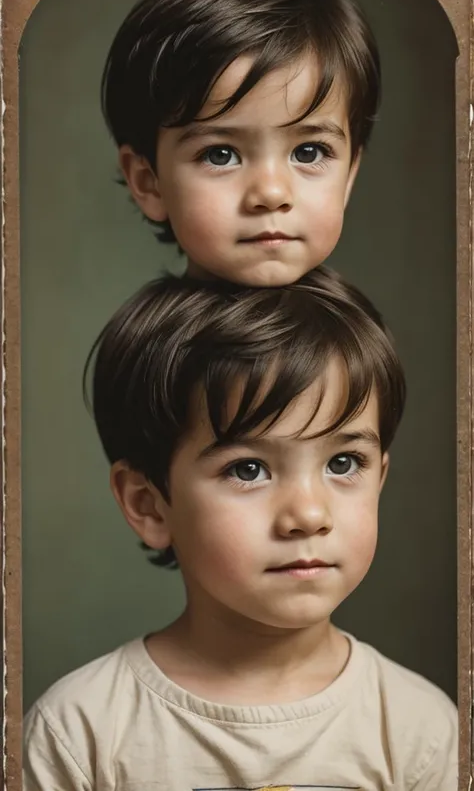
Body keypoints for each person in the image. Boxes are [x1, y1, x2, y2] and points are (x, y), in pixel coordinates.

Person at [23, 267, 458, 790]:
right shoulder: (79, 733)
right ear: (150, 505)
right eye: (248, 469)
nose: (309, 515)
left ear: (380, 476)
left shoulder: (421, 731)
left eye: (343, 463)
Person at [102, 0, 380, 285]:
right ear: (149, 182)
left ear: (348, 176)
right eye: (220, 154)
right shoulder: (156, 337)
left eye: (308, 152)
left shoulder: (351, 332)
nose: (272, 193)